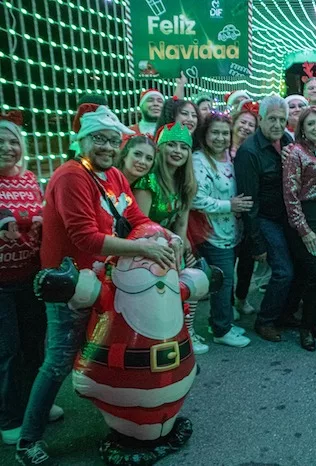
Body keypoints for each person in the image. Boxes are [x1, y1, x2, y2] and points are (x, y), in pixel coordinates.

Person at [15, 105, 176, 465]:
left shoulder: (114, 176)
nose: (106, 146)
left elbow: (133, 216)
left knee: (101, 348)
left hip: (100, 278)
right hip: (69, 283)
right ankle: (28, 441)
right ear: (81, 141)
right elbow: (85, 237)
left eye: (111, 140)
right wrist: (142, 247)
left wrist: (162, 234)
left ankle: (115, 417)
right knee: (58, 360)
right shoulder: (72, 176)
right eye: (98, 139)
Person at [0, 117, 63, 447]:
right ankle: (9, 416)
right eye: (1, 141)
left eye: (12, 141)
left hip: (30, 276)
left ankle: (34, 402)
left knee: (34, 345)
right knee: (8, 351)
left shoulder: (28, 180)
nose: (7, 148)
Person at [132, 122, 205, 353]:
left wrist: (182, 250)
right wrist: (171, 246)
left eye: (183, 147)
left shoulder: (186, 183)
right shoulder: (148, 181)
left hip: (171, 243)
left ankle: (186, 333)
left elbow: (182, 221)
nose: (177, 151)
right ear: (160, 148)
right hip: (147, 246)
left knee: (191, 279)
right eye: (171, 145)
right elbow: (141, 225)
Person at [235, 95, 297, 343]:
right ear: (260, 119)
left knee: (296, 267)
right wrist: (257, 242)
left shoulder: (287, 139)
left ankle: (284, 313)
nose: (277, 124)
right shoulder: (249, 151)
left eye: (282, 119)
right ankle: (266, 320)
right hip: (264, 219)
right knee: (283, 271)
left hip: (286, 217)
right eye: (272, 119)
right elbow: (249, 202)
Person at [192, 113, 252, 349]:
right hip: (212, 234)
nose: (220, 138)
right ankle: (221, 329)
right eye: (214, 132)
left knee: (226, 280)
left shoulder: (230, 157)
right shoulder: (199, 161)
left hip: (232, 232)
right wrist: (230, 205)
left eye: (224, 133)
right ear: (205, 135)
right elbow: (197, 199)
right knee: (223, 281)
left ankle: (220, 321)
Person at [282, 107, 316, 351]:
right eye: (310, 124)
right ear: (302, 128)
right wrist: (303, 229)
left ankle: (314, 323)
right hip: (308, 217)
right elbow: (290, 195)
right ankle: (306, 327)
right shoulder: (295, 152)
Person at [229, 102, 260, 315]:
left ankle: (241, 297)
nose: (246, 128)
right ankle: (226, 304)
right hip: (226, 214)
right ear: (234, 124)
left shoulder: (253, 151)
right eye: (243, 123)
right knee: (226, 263)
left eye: (251, 125)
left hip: (248, 213)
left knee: (247, 261)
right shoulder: (221, 149)